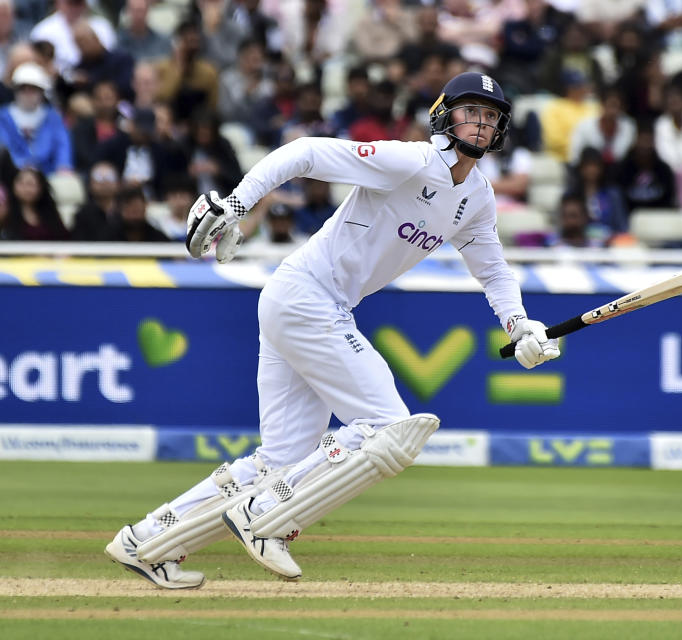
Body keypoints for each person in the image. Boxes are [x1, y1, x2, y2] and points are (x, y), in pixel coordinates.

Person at [104, 72, 561, 589]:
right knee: (389, 427)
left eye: (490, 116)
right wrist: (235, 206)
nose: (480, 123)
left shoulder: (476, 197)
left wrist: (520, 324)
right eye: (470, 111)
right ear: (444, 114)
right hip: (307, 297)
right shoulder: (411, 161)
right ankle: (264, 516)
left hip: (308, 303)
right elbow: (303, 151)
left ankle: (146, 541)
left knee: (281, 461)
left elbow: (494, 270)